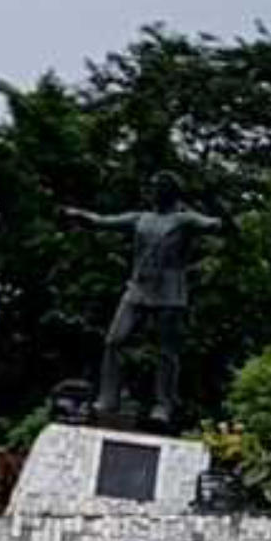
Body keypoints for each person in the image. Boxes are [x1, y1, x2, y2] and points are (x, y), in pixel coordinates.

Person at [65, 179, 222, 425]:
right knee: (114, 340)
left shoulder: (184, 220)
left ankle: (163, 405)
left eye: (157, 188)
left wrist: (214, 213)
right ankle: (108, 399)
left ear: (169, 192)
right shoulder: (140, 218)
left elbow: (214, 225)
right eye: (151, 188)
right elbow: (103, 221)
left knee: (166, 351)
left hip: (169, 292)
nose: (151, 192)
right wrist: (80, 215)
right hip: (138, 289)